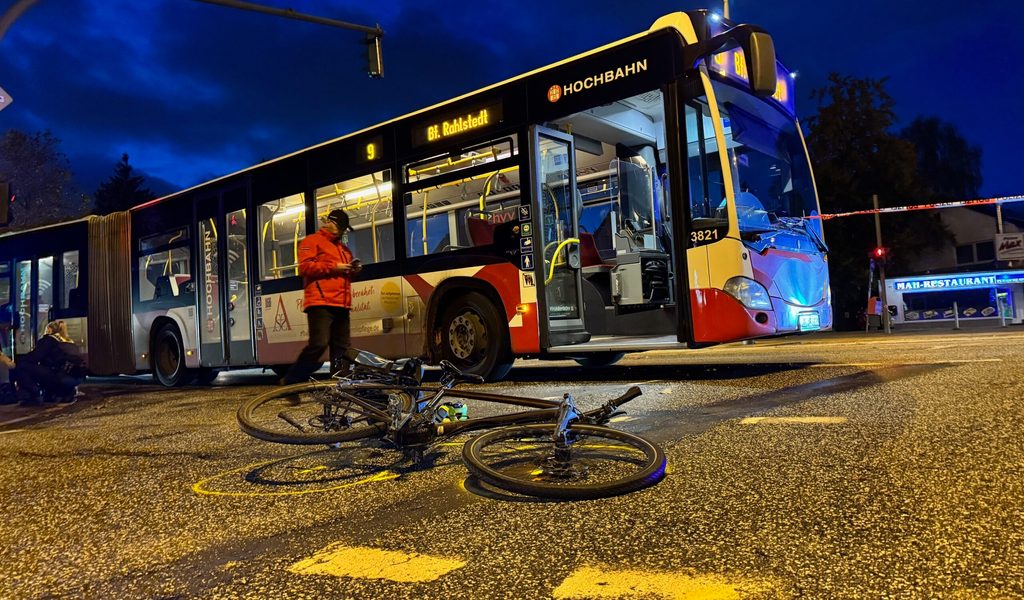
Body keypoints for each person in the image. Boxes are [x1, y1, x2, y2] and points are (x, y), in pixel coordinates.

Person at [281, 209, 362, 384]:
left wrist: (353, 271)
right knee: (319, 344)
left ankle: (340, 383)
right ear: (331, 223)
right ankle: (292, 378)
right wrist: (335, 267)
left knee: (342, 348)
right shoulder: (311, 241)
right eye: (340, 227)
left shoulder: (344, 250)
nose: (342, 232)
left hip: (342, 304)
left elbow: (344, 276)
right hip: (320, 302)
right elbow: (305, 268)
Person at [14, 320, 87, 405]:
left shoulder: (48, 340)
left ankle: (33, 395)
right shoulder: (69, 341)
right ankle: (61, 393)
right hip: (76, 378)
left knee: (22, 366)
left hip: (60, 377)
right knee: (47, 371)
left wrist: (18, 361)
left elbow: (34, 357)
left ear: (49, 330)